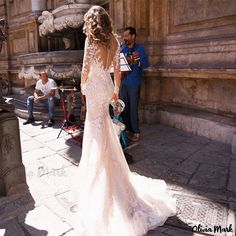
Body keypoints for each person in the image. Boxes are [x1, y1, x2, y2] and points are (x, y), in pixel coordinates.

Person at [71, 6, 176, 235]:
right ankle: (110, 173)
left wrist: (82, 89)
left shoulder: (91, 41)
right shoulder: (114, 42)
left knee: (95, 131)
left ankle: (100, 178)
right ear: (106, 21)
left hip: (94, 89)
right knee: (105, 128)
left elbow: (85, 69)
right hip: (108, 88)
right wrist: (116, 91)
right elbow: (117, 70)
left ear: (91, 22)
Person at [120, 26, 149, 142]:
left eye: (127, 36)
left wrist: (136, 62)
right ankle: (127, 129)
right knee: (124, 107)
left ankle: (136, 131)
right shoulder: (123, 50)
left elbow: (146, 64)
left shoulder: (140, 49)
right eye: (124, 36)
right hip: (124, 82)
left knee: (133, 108)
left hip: (134, 83)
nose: (125, 38)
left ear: (133, 36)